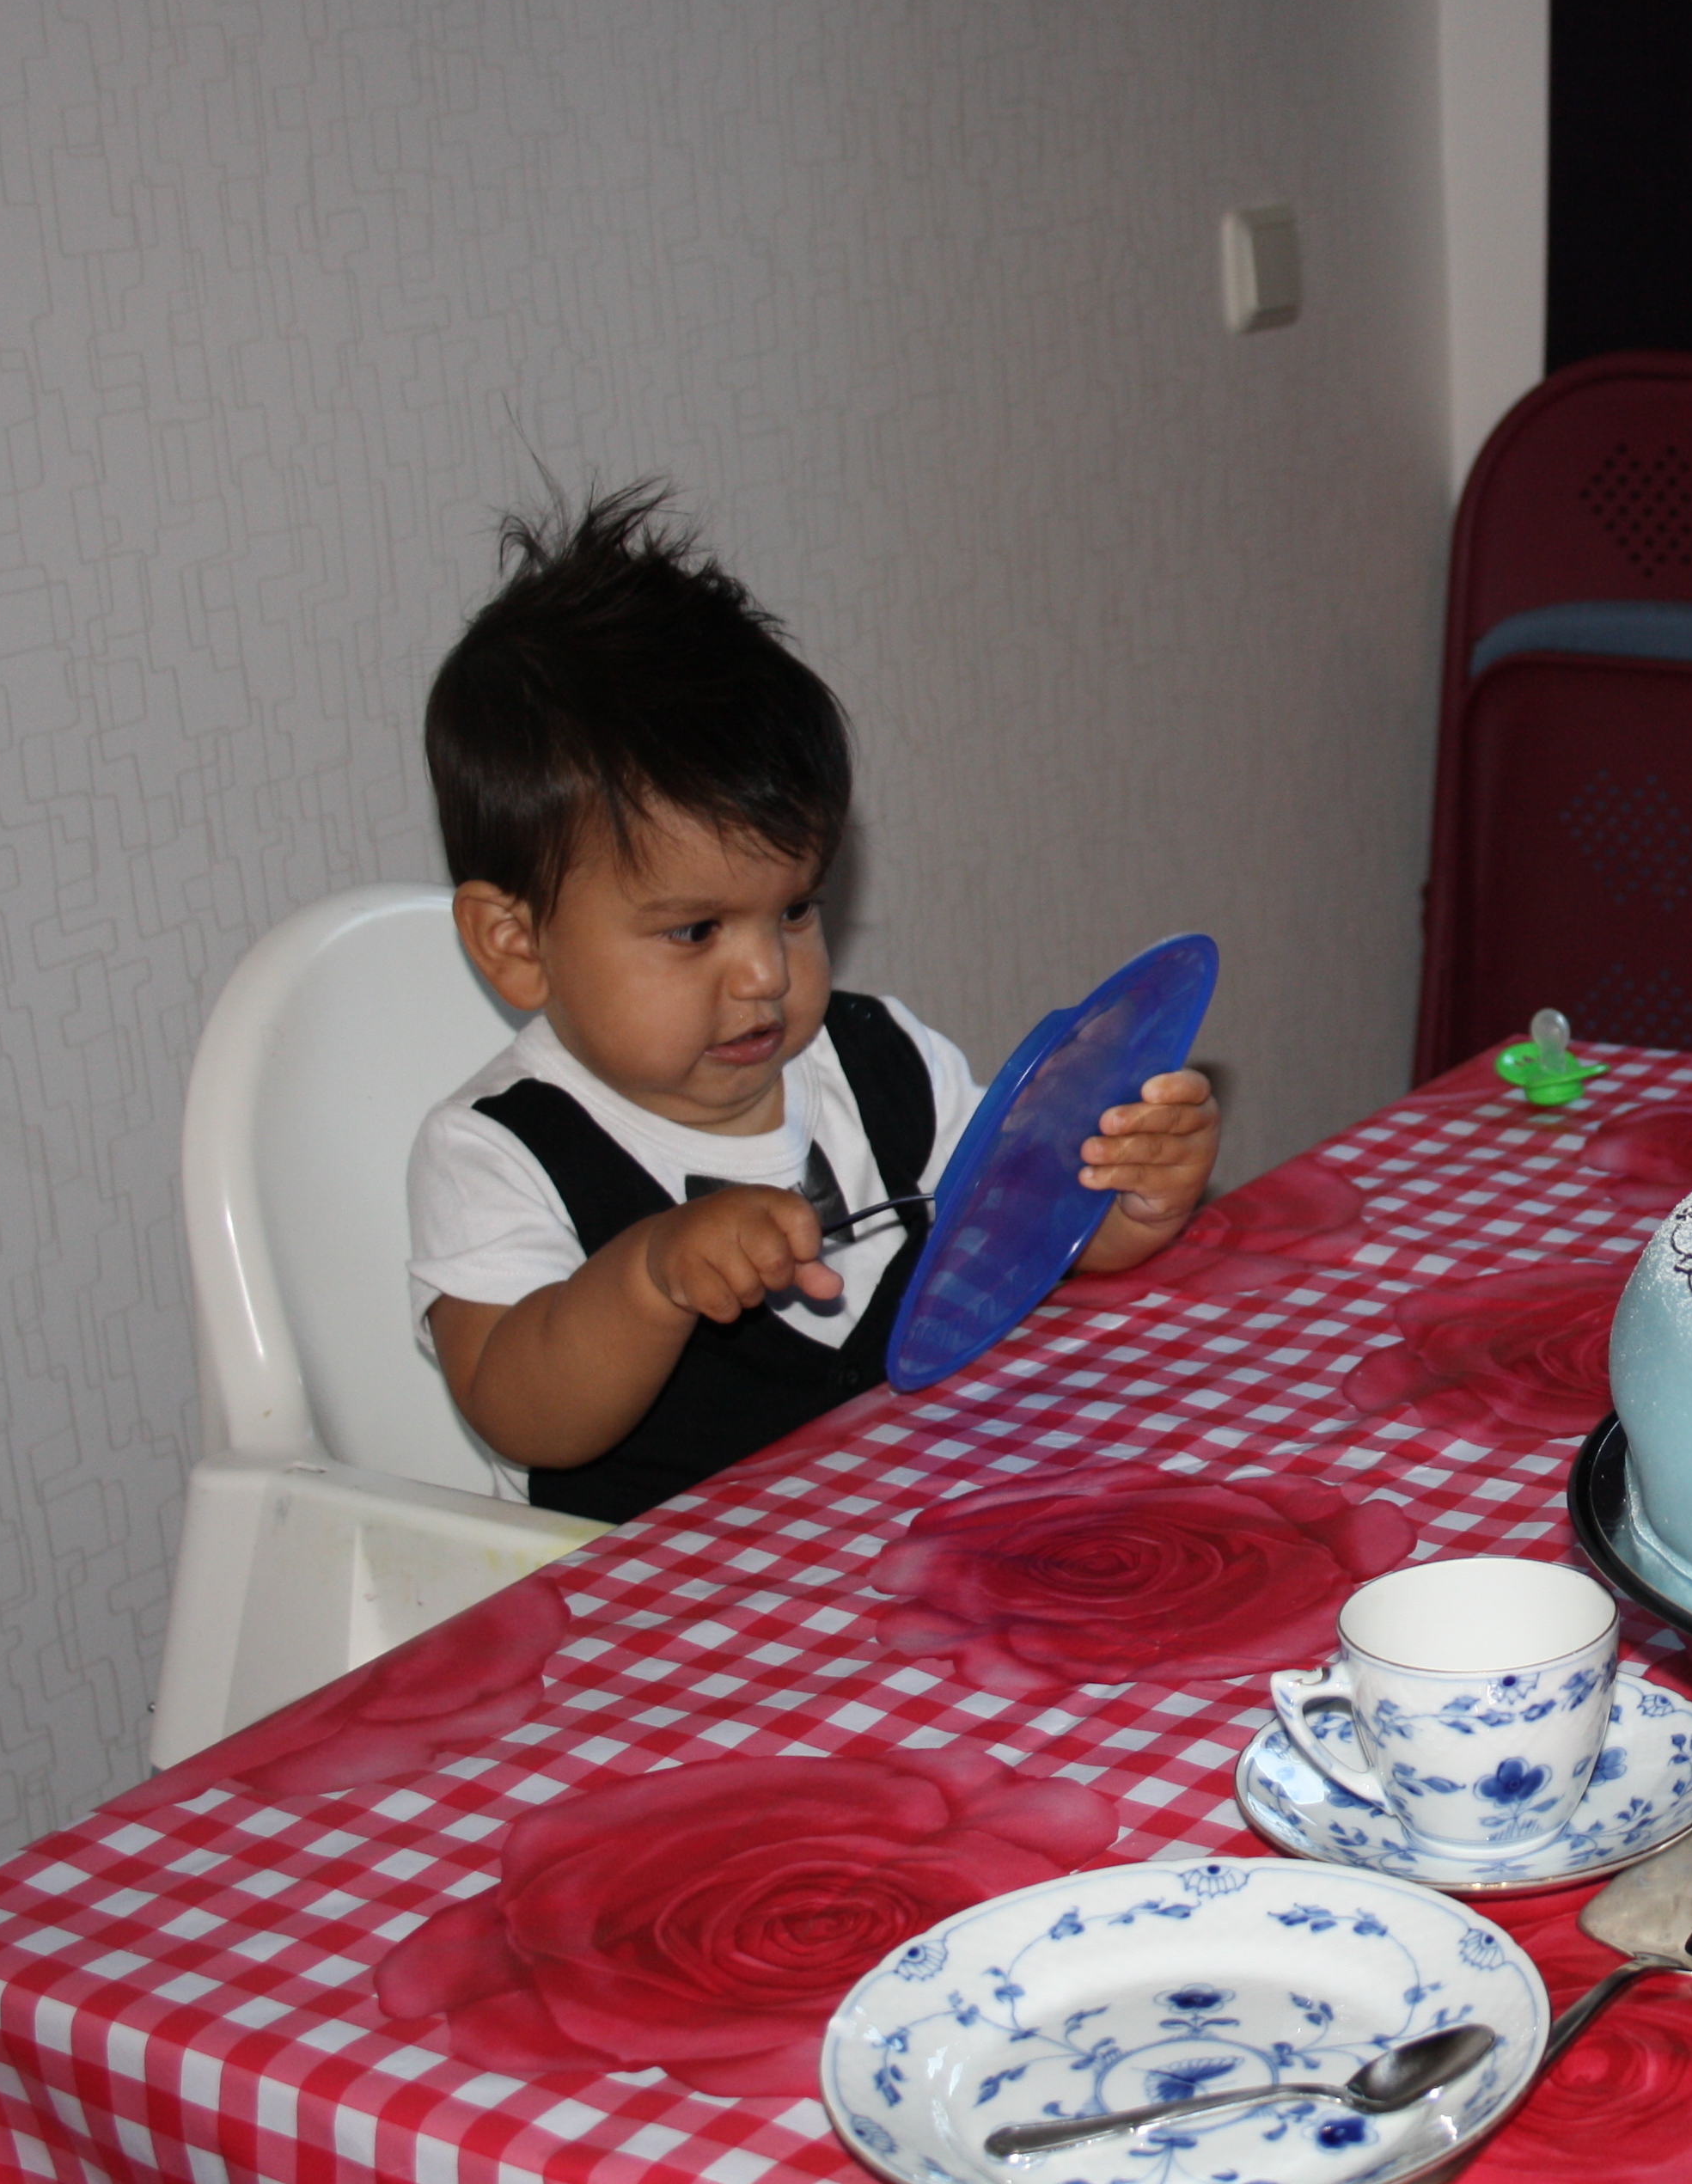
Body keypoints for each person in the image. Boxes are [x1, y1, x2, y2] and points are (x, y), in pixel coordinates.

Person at [405, 483, 1219, 1521]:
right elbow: (522, 1414)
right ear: (517, 947)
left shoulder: (883, 1061)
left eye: (793, 910)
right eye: (696, 931)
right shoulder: (497, 1152)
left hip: (905, 1536)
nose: (765, 976)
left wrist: (1131, 1196)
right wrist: (650, 1279)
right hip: (659, 1596)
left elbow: (1016, 1251)